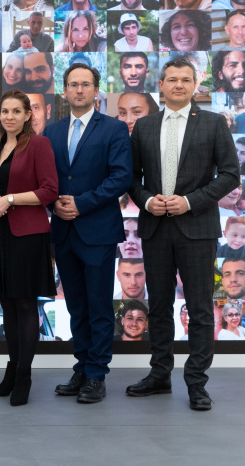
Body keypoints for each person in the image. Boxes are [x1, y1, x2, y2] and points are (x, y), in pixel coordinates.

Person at [127, 58, 239, 410]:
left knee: (202, 309)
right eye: (172, 79)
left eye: (185, 80)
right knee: (158, 306)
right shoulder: (144, 126)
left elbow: (230, 175)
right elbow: (130, 179)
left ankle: (196, 382)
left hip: (198, 228)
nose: (178, 85)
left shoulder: (213, 123)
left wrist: (190, 202)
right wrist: (147, 203)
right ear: (159, 85)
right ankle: (159, 375)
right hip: (156, 228)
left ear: (195, 86)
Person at [41, 64, 131, 404]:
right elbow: (45, 180)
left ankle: (97, 375)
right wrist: (55, 207)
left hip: (97, 231)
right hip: (63, 230)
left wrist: (80, 203)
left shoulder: (114, 129)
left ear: (96, 91)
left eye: (85, 85)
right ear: (64, 91)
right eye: (73, 85)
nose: (79, 90)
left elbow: (120, 178)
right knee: (76, 306)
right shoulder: (51, 131)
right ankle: (81, 367)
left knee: (98, 306)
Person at [0, 89, 58, 406]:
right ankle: (12, 370)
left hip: (27, 233)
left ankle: (24, 375)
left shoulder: (39, 144)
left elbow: (49, 190)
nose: (9, 116)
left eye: (16, 111)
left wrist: (9, 200)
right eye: (4, 110)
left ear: (28, 115)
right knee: (7, 306)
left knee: (25, 306)